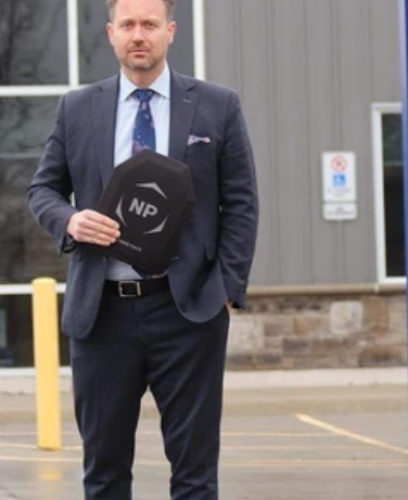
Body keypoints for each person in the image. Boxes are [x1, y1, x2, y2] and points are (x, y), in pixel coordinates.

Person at [27, 0, 259, 498]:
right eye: (128, 24)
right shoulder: (77, 107)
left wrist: (225, 289)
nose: (139, 35)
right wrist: (69, 219)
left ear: (170, 31)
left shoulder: (218, 105)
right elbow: (41, 190)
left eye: (150, 24)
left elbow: (241, 203)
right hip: (102, 315)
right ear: (111, 33)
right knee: (105, 473)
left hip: (188, 312)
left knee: (195, 475)